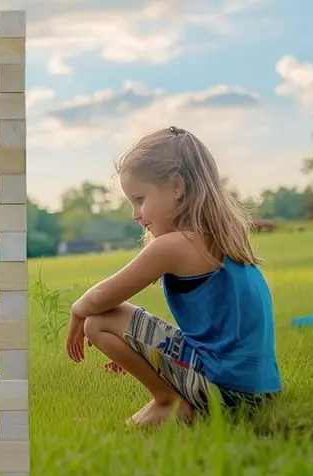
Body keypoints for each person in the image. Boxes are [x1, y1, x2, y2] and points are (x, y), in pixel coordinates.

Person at [66, 125, 282, 427]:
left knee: (98, 320)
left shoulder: (175, 245)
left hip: (225, 391)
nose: (135, 214)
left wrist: (77, 311)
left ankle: (169, 402)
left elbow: (102, 299)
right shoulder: (222, 240)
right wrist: (147, 355)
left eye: (140, 199)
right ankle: (173, 400)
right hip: (259, 393)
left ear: (177, 187)